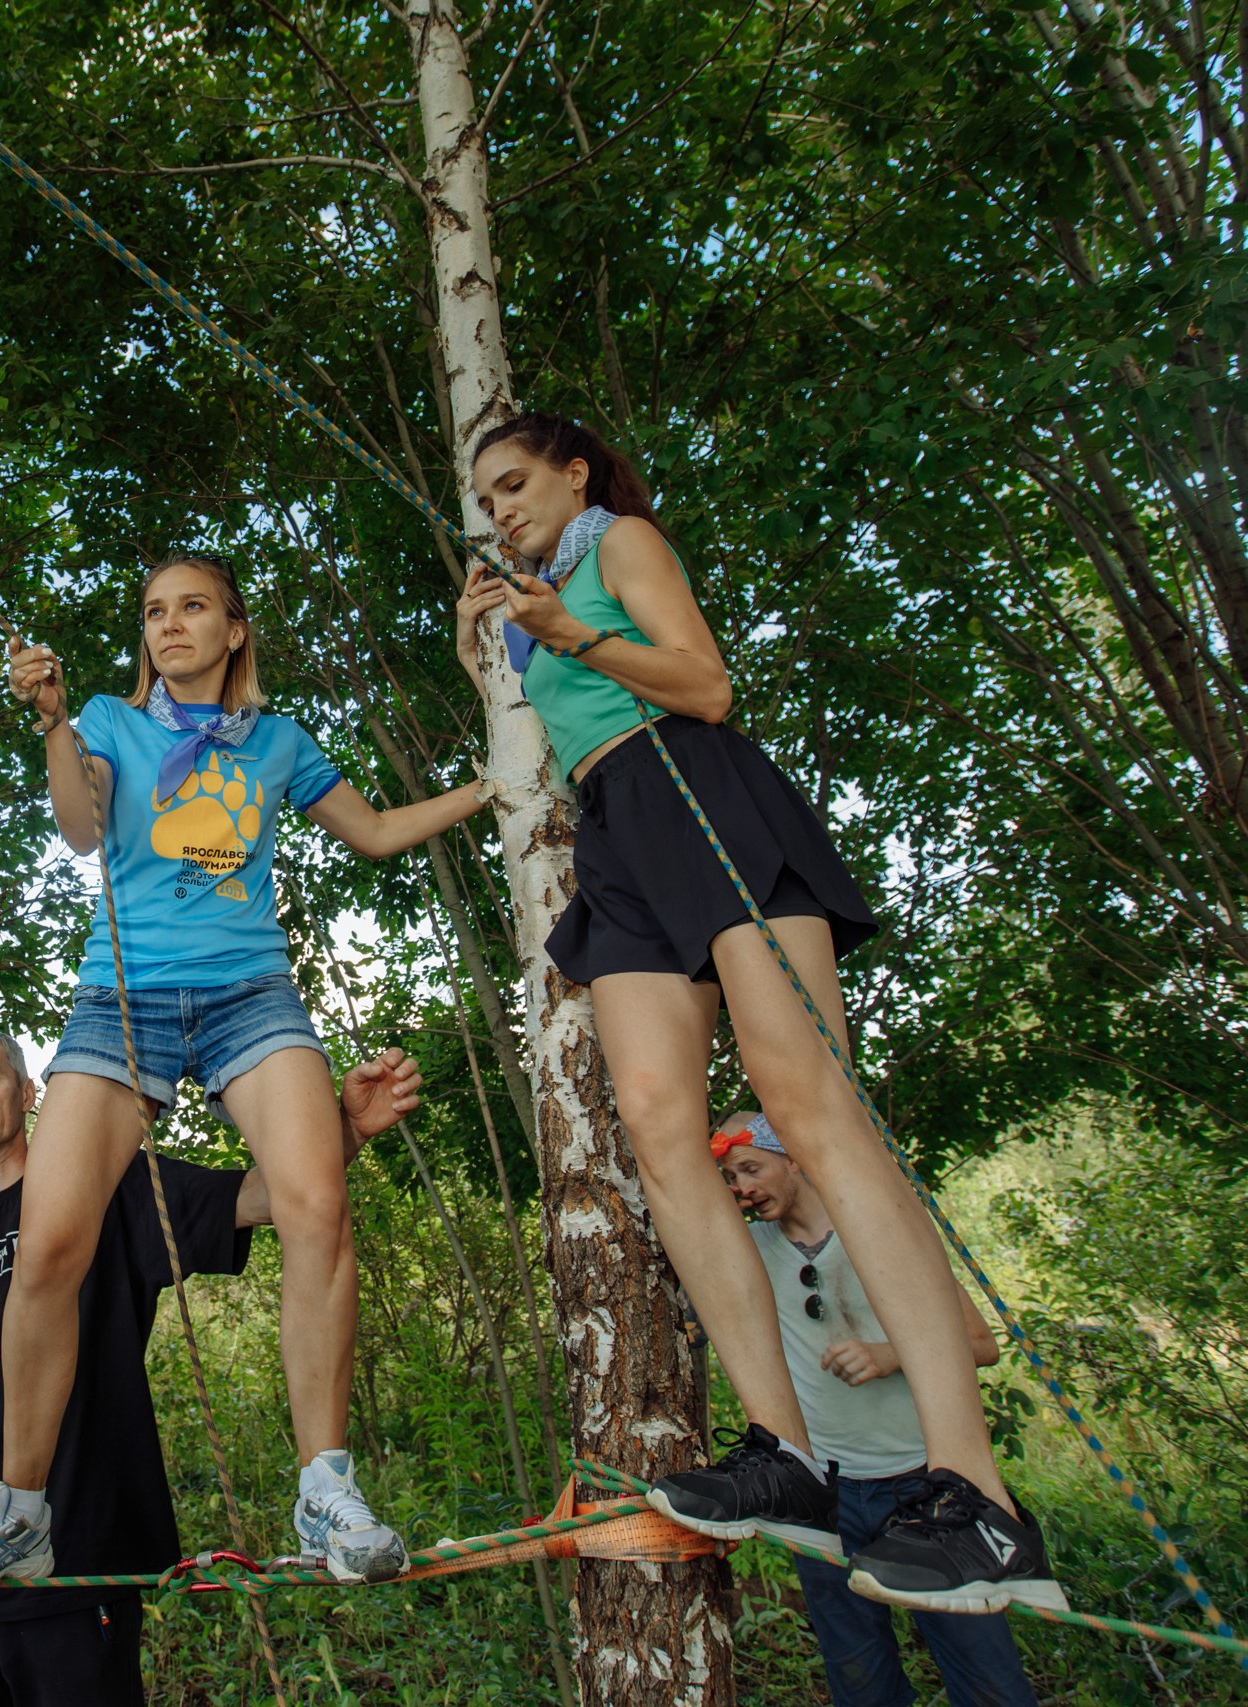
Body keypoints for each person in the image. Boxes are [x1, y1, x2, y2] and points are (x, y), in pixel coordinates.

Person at [453, 412, 1059, 1611]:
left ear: (574, 473)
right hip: (613, 829)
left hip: (692, 778)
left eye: (517, 483)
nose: (503, 508)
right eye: (487, 498)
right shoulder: (538, 597)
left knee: (804, 1106)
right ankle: (782, 1452)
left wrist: (572, 630)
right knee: (657, 1127)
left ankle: (978, 1494)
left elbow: (708, 683)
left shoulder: (618, 542)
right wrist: (505, 642)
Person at [0, 553, 489, 1615]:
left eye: (190, 609)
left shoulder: (276, 743)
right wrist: (50, 722)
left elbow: (372, 834)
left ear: (233, 631)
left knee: (317, 1202)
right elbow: (80, 829)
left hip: (249, 994)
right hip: (120, 1001)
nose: (167, 625)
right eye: (152, 613)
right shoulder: (106, 721)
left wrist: (495, 789)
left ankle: (325, 1494)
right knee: (48, 1241)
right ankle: (17, 1510)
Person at [0, 1028, 424, 1704]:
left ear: (29, 1093)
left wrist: (345, 1131)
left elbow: (262, 1196)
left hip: (76, 1565)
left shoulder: (107, 1187)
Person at [715, 1111, 1045, 1704]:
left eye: (750, 1168)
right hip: (825, 1498)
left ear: (794, 1158)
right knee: (859, 1679)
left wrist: (893, 1354)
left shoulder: (876, 1229)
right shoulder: (747, 1249)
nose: (740, 1187)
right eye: (729, 1176)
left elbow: (982, 1344)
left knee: (986, 1677)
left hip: (925, 1494)